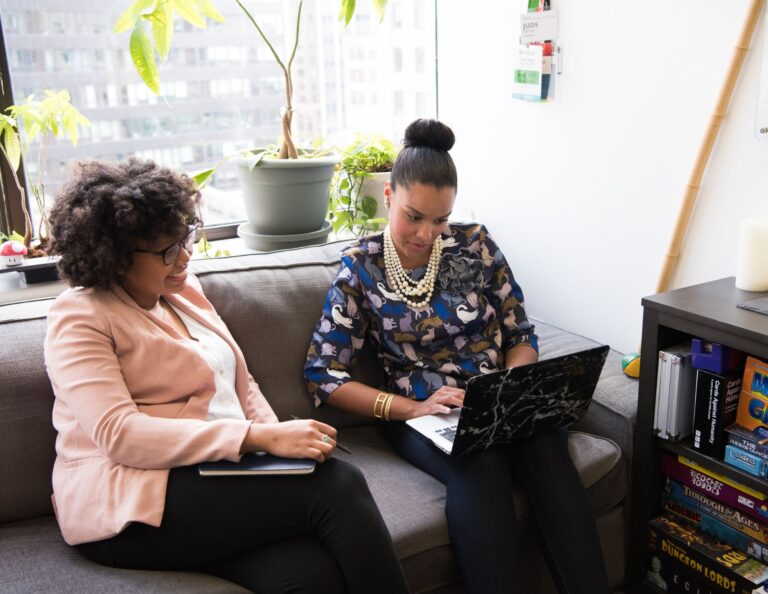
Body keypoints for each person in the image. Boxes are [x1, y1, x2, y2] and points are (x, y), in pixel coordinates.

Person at [44, 158, 410, 594]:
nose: (184, 255)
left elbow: (240, 381)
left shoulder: (182, 291)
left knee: (310, 575)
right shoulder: (80, 316)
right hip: (130, 504)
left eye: (185, 237)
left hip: (213, 478)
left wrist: (282, 450)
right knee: (340, 484)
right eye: (166, 250)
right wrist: (256, 440)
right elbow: (118, 433)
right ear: (116, 256)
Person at [304, 119, 611, 594]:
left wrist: (512, 387)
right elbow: (324, 374)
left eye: (440, 219)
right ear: (388, 196)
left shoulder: (476, 245)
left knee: (546, 444)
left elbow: (520, 333)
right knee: (479, 461)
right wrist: (413, 407)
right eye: (414, 216)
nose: (427, 233)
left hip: (497, 398)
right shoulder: (359, 269)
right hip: (422, 413)